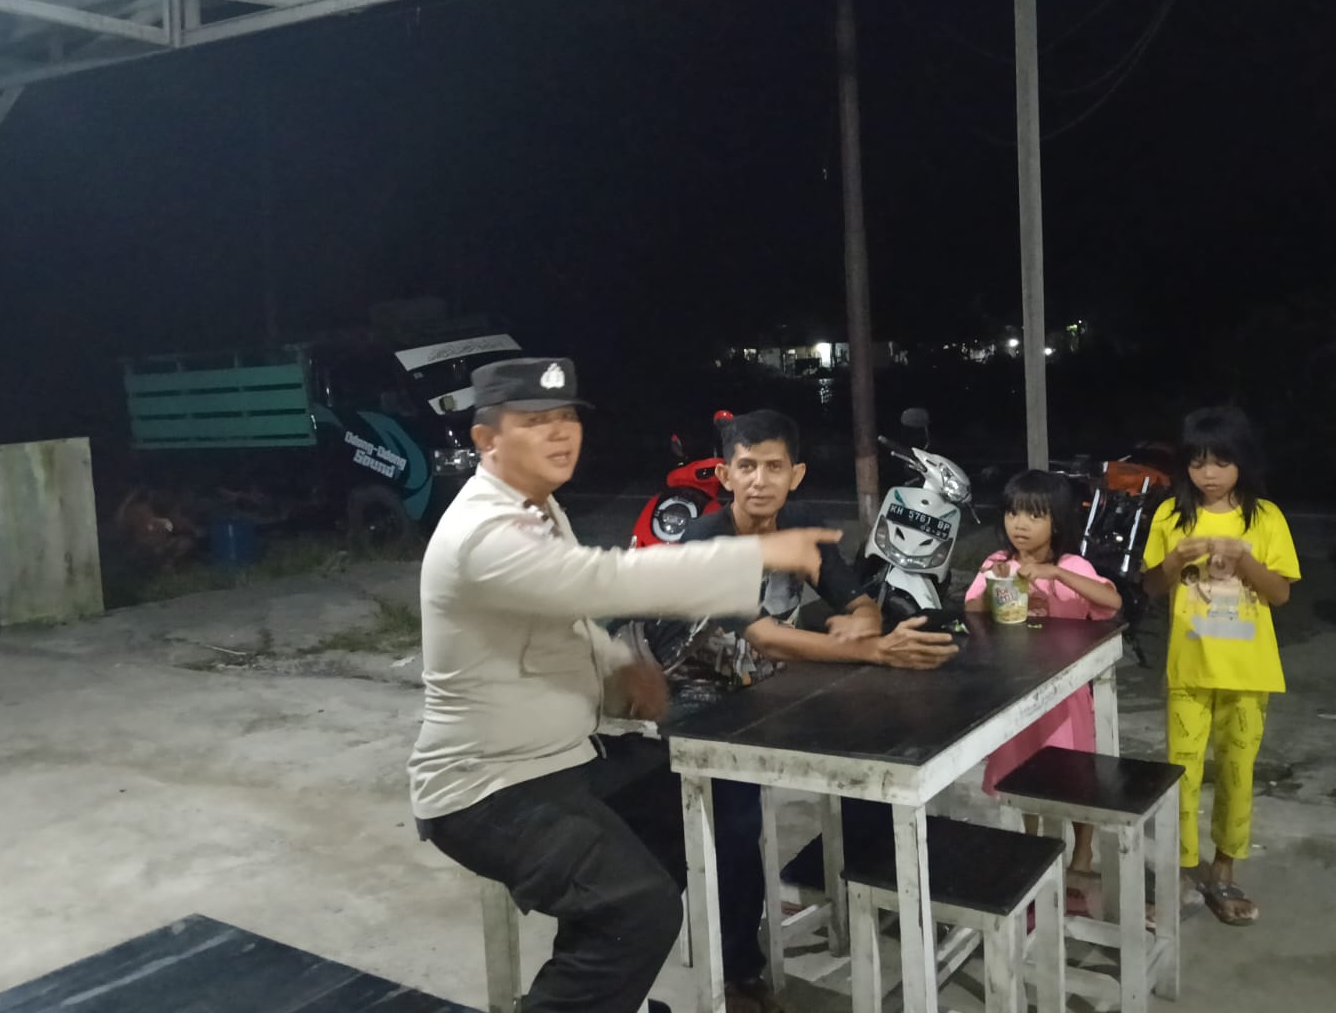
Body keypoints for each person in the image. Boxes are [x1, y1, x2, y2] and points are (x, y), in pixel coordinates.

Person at [407, 359, 841, 1013]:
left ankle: (607, 991)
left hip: (562, 759)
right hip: (486, 786)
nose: (560, 433)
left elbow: (568, 618)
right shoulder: (483, 530)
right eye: (535, 421)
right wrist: (753, 554)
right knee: (640, 909)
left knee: (692, 802)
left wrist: (618, 670)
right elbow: (598, 582)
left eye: (566, 417)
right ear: (486, 440)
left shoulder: (537, 509)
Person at [679, 409, 958, 1013]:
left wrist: (862, 624)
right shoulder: (704, 540)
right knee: (737, 824)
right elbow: (762, 637)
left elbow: (856, 600)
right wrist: (871, 648)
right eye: (746, 467)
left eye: (773, 466)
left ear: (796, 474)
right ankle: (738, 971)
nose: (760, 480)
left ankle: (850, 885)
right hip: (701, 698)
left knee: (872, 754)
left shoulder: (803, 524)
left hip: (769, 685)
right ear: (725, 476)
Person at [1142, 406, 1300, 927]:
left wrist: (1245, 560)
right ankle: (1182, 872)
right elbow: (1151, 586)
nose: (1208, 475)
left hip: (1249, 673)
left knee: (1237, 773)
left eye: (1221, 463)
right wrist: (1174, 560)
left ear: (1242, 463)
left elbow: (1280, 594)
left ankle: (1224, 870)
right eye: (1197, 463)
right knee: (1181, 775)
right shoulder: (1171, 515)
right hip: (1189, 669)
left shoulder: (1266, 517)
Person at [963, 469, 1122, 915]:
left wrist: (1055, 574)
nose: (1021, 524)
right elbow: (972, 608)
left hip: (1064, 695)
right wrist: (995, 585)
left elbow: (1111, 603)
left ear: (1058, 522)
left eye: (1034, 516)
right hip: (1016, 692)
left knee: (1076, 778)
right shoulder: (998, 562)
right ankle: (1030, 855)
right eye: (1014, 513)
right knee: (1021, 775)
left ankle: (1082, 856)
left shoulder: (1072, 566)